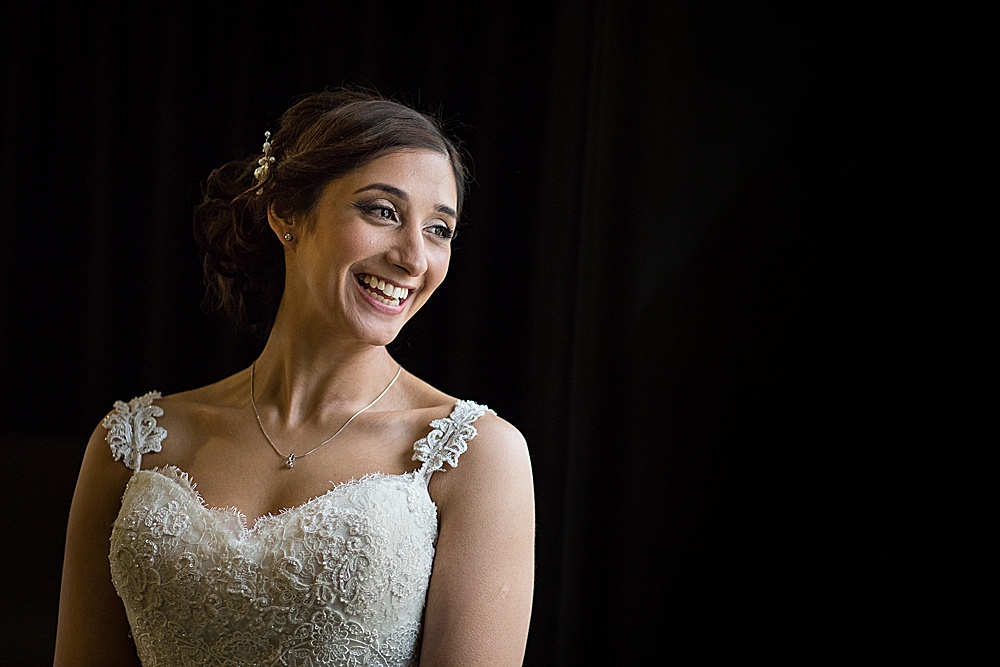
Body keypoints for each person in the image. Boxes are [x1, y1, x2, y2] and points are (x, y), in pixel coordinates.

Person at [54, 88, 535, 666]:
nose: (413, 257)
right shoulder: (132, 445)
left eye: (439, 229)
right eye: (383, 211)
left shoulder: (474, 455)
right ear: (285, 212)